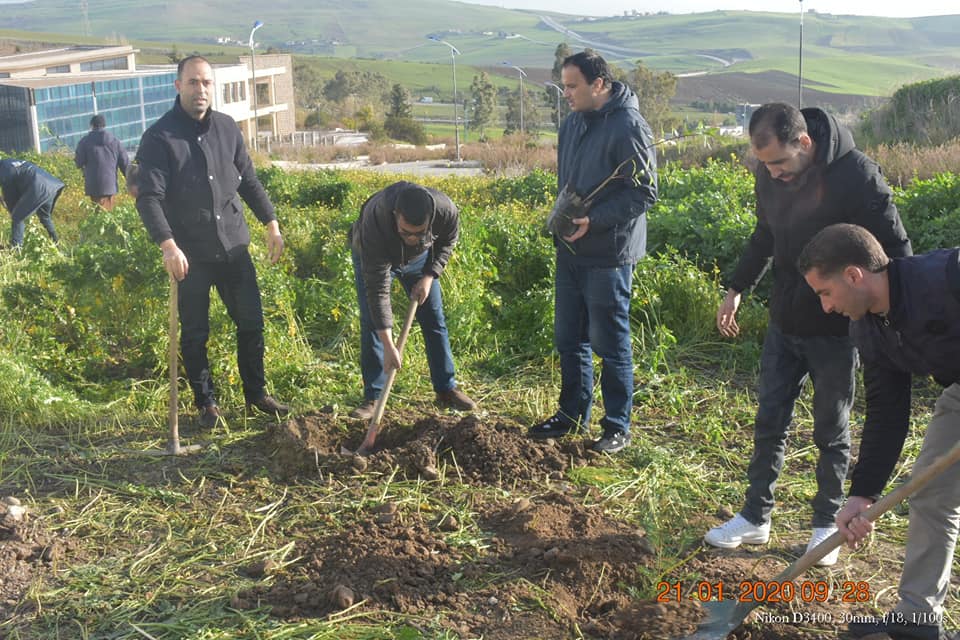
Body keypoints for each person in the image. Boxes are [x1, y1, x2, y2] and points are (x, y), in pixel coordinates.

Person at [703, 102, 912, 566]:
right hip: (785, 319)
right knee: (769, 420)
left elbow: (896, 250)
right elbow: (764, 235)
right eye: (764, 164)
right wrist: (736, 288)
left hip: (839, 328)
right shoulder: (769, 173)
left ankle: (824, 525)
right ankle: (755, 516)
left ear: (804, 142)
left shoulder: (857, 175)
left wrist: (891, 321)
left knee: (831, 428)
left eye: (779, 162)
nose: (773, 173)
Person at [798, 223, 960, 640]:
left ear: (854, 275)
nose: (826, 308)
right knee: (932, 492)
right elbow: (887, 412)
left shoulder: (946, 276)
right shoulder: (868, 329)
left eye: (826, 293)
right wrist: (862, 494)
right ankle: (917, 619)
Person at [135, 55, 288, 428]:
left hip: (233, 246)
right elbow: (149, 198)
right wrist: (168, 245)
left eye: (205, 82)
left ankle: (256, 395)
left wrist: (271, 223)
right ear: (178, 86)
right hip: (190, 253)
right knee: (195, 333)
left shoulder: (227, 128)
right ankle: (207, 404)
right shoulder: (159, 138)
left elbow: (248, 180)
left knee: (251, 322)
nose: (200, 89)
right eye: (192, 82)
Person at [526, 51, 657, 454]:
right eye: (563, 85)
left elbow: (645, 192)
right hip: (570, 249)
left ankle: (617, 427)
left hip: (608, 254)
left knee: (610, 343)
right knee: (569, 338)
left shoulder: (629, 126)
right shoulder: (572, 124)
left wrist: (595, 220)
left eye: (572, 86)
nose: (565, 93)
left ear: (599, 84)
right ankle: (571, 415)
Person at [348, 181, 476, 420]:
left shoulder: (445, 210)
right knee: (372, 322)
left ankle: (446, 388)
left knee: (434, 318)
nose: (412, 238)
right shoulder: (376, 219)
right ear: (396, 216)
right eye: (406, 232)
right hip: (376, 257)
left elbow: (447, 241)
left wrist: (429, 276)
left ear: (430, 219)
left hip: (420, 261)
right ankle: (374, 397)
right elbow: (377, 291)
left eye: (419, 233)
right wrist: (389, 347)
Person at [0, 158, 62, 248]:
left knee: (17, 217)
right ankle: (57, 245)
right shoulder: (8, 162)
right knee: (45, 217)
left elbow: (10, 197)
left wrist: (12, 211)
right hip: (52, 185)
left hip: (37, 187)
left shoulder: (3, 171)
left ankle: (16, 248)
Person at [74, 114, 130, 210]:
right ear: (104, 125)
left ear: (91, 125)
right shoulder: (115, 141)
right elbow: (125, 164)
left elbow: (78, 162)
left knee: (98, 214)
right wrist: (132, 181)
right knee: (109, 214)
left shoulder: (84, 142)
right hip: (110, 185)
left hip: (93, 185)